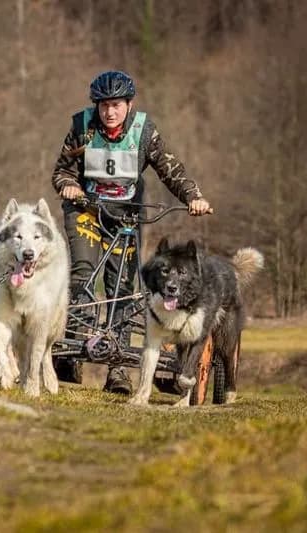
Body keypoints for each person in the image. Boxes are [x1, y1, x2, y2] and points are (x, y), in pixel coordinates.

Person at [51, 70, 212, 394]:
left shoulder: (143, 132)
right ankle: (71, 353)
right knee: (84, 272)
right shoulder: (82, 127)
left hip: (126, 215)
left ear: (129, 104)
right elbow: (62, 171)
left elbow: (170, 169)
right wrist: (69, 186)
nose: (109, 112)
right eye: (104, 105)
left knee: (122, 286)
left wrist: (193, 197)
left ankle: (118, 370)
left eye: (116, 105)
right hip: (86, 210)